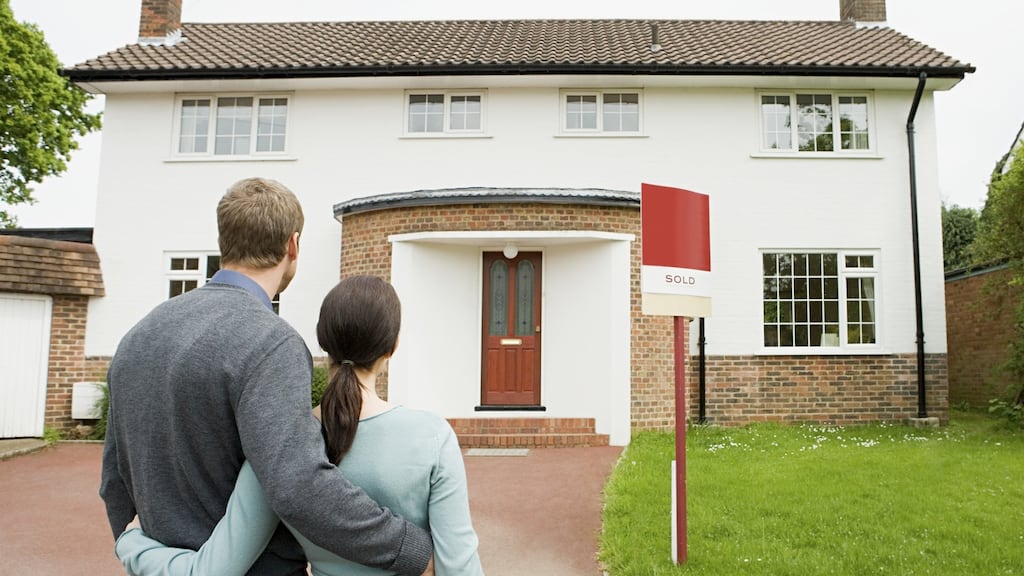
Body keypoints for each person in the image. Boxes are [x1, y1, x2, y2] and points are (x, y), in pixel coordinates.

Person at [100, 178, 434, 576]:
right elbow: (299, 485)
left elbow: (114, 483)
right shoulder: (270, 341)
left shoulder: (139, 335)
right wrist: (409, 548)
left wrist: (140, 550)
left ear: (226, 241)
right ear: (292, 246)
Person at [113, 275, 484, 576]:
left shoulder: (279, 446)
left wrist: (130, 543)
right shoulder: (432, 437)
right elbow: (461, 568)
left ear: (323, 341)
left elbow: (211, 570)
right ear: (392, 346)